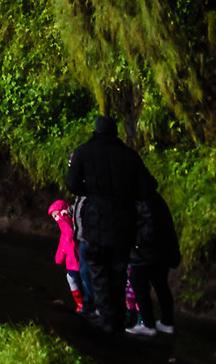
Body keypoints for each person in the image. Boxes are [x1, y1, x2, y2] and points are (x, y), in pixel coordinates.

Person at [64, 112, 155, 335]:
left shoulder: (84, 152)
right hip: (124, 223)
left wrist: (94, 194)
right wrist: (124, 196)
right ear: (115, 133)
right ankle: (117, 321)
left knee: (97, 272)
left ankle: (107, 322)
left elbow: (72, 185)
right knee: (118, 272)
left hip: (95, 221)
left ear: (95, 131)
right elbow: (148, 187)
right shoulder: (130, 156)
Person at [133, 187, 179, 336]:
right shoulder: (153, 197)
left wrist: (137, 241)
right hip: (162, 250)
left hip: (149, 251)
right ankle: (166, 322)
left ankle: (148, 324)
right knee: (160, 284)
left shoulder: (143, 200)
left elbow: (150, 227)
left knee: (138, 279)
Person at [49, 200, 87, 316]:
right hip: (71, 264)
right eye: (54, 217)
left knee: (85, 282)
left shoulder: (72, 226)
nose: (56, 219)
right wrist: (59, 259)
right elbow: (62, 247)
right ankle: (80, 303)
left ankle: (88, 304)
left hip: (79, 262)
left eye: (57, 215)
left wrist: (62, 220)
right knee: (72, 280)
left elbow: (71, 234)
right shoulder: (63, 232)